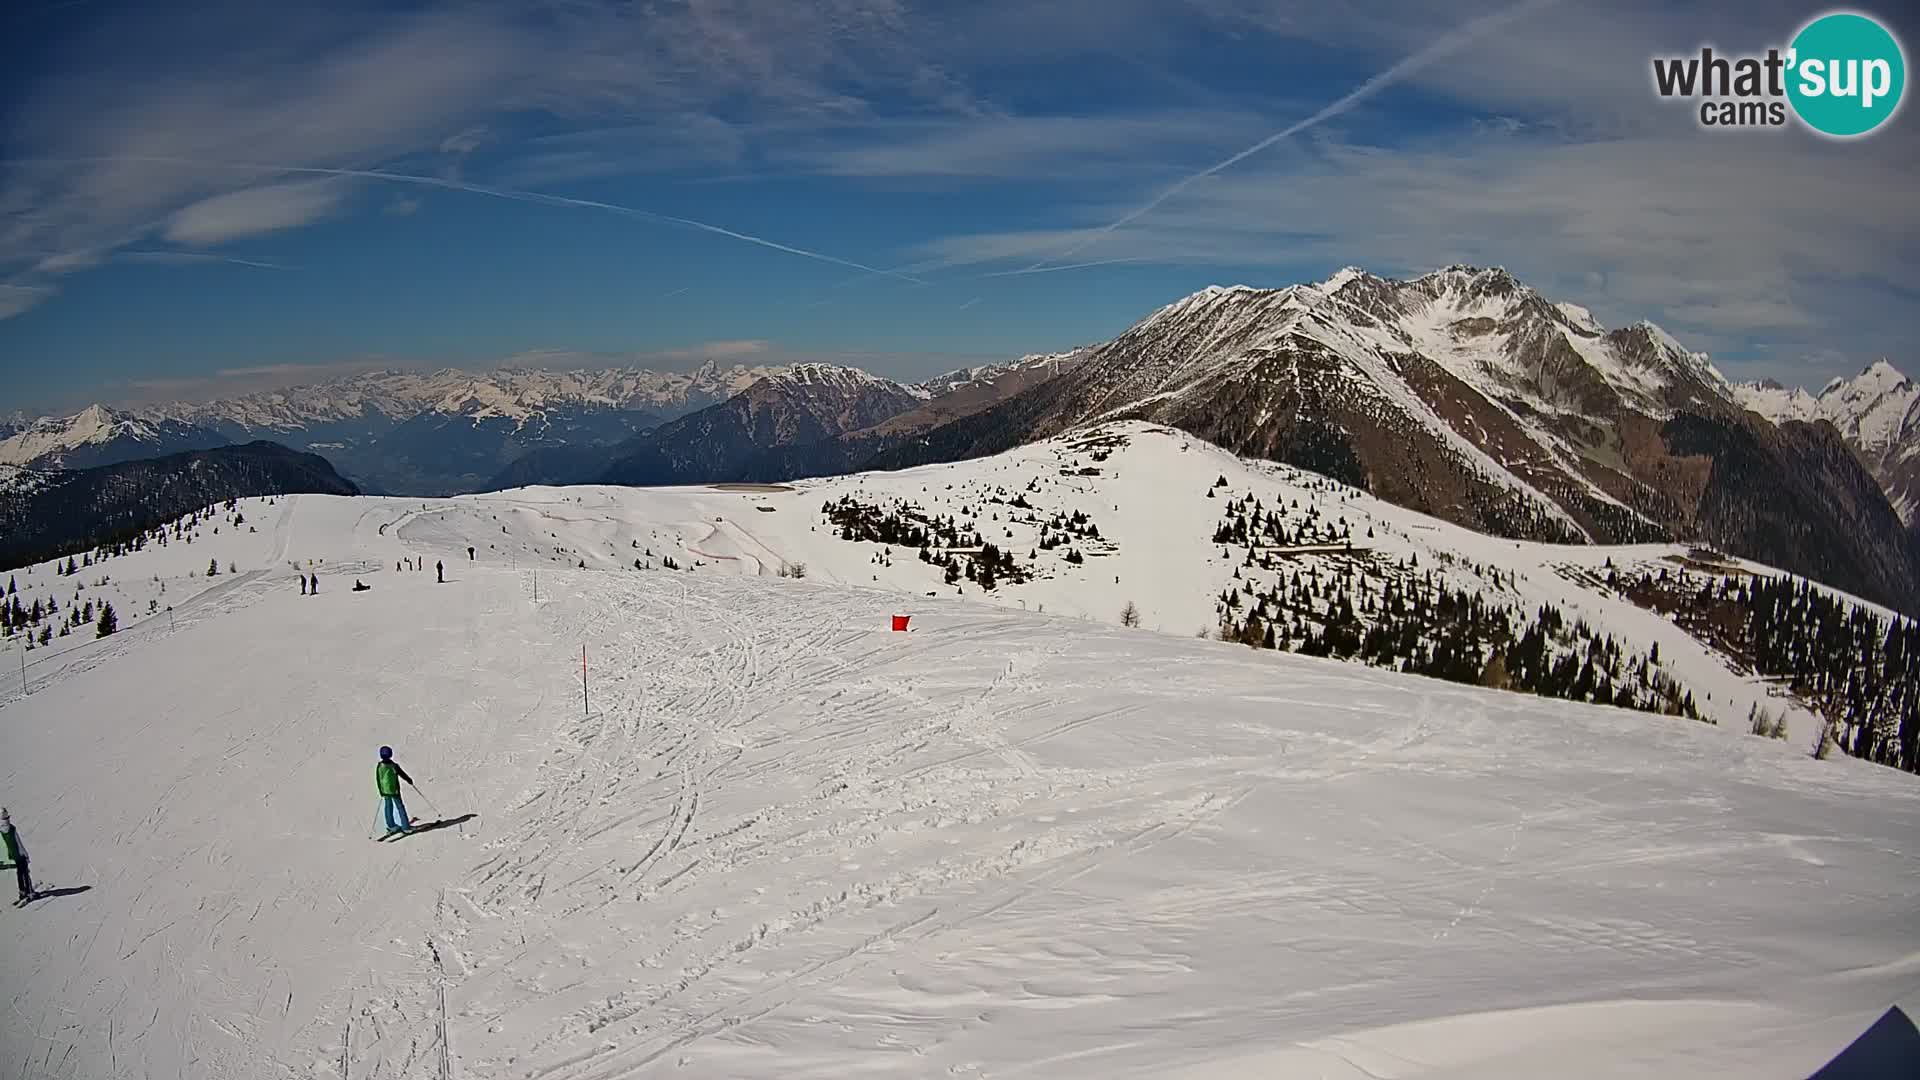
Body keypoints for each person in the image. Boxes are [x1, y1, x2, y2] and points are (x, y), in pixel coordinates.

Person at [376, 747, 415, 836]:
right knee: (400, 807)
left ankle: (391, 825)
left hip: (385, 791)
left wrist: (381, 791)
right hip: (394, 790)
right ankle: (406, 827)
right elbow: (402, 774)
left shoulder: (379, 766)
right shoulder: (394, 766)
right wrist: (409, 780)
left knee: (388, 807)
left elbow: (378, 778)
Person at [1, 808, 32, 905]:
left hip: (13, 854)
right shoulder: (12, 828)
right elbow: (19, 843)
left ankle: (22, 891)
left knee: (19, 873)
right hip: (20, 854)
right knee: (25, 873)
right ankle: (29, 892)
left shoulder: (1, 829)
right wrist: (26, 855)